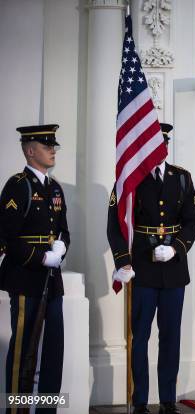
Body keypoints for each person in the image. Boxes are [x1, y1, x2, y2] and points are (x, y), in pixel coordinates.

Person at [107, 123, 195, 414]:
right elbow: (115, 223)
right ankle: (139, 400)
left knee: (171, 335)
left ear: (166, 146)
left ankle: (168, 399)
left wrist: (176, 248)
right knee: (140, 336)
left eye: (162, 143)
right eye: (152, 143)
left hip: (173, 268)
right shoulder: (130, 180)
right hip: (143, 267)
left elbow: (193, 220)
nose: (158, 149)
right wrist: (123, 261)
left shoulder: (181, 177)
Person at [0, 124, 70, 414]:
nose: (53, 150)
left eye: (53, 145)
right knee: (23, 352)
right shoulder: (17, 185)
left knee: (53, 351)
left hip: (52, 281)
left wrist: (62, 247)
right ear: (30, 151)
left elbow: (64, 230)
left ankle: (47, 410)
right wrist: (42, 258)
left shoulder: (54, 187)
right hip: (26, 278)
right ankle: (17, 410)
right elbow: (7, 236)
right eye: (46, 146)